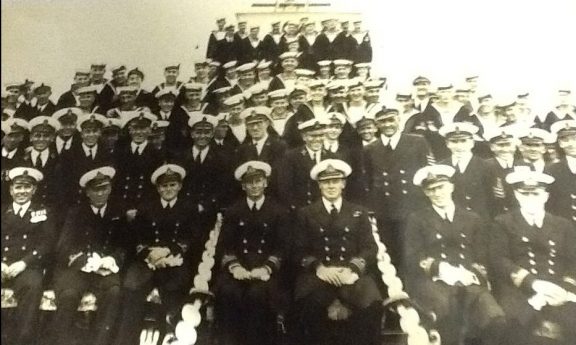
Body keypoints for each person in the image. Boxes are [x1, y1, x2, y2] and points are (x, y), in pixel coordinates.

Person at [404, 165, 508, 345]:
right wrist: (442, 268)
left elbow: (482, 255)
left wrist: (474, 274)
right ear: (426, 193)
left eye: (441, 187)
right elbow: (413, 257)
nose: (437, 193)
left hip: (468, 279)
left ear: (451, 187)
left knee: (495, 318)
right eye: (431, 189)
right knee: (447, 315)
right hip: (433, 281)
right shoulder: (417, 219)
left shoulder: (471, 218)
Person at [293, 159, 382, 345]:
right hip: (319, 275)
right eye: (326, 182)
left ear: (343, 183)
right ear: (319, 185)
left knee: (372, 304)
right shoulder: (306, 213)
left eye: (335, 181)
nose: (331, 185)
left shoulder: (358, 212)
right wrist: (319, 268)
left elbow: (370, 247)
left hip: (350, 274)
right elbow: (298, 250)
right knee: (308, 306)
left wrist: (353, 269)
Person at [116, 164, 202, 345]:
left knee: (173, 293)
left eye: (172, 185)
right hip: (148, 261)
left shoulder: (189, 208)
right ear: (157, 188)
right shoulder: (146, 208)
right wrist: (149, 254)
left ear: (179, 186)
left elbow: (191, 238)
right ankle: (126, 340)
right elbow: (138, 237)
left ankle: (169, 337)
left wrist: (168, 251)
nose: (168, 189)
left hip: (175, 262)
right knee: (132, 289)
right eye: (164, 186)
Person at [490, 168, 576, 345]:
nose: (530, 199)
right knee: (515, 325)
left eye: (536, 194)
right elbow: (499, 260)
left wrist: (565, 289)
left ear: (545, 196)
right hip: (521, 289)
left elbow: (573, 260)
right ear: (516, 195)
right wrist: (533, 283)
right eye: (525, 194)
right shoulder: (503, 222)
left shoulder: (563, 225)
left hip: (558, 287)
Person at [215, 161, 290, 345]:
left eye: (258, 181)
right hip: (239, 269)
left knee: (257, 296)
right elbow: (225, 246)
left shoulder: (279, 212)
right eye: (250, 182)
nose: (254, 186)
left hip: (266, 271)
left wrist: (266, 268)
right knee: (227, 292)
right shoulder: (233, 211)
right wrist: (235, 267)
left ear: (266, 183)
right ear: (243, 186)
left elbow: (283, 247)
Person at [48, 166, 124, 345]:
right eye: (95, 190)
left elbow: (124, 245)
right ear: (87, 192)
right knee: (68, 295)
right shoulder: (75, 214)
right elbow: (63, 247)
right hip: (78, 268)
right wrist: (86, 261)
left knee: (114, 292)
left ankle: (101, 341)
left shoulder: (117, 213)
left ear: (110, 188)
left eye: (105, 188)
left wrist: (112, 259)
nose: (101, 193)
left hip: (105, 269)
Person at [364, 107, 431, 265]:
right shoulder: (370, 149)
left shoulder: (417, 141)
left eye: (391, 120)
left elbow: (427, 173)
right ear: (376, 125)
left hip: (412, 207)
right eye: (382, 121)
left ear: (399, 120)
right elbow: (369, 180)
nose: (387, 125)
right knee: (390, 252)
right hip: (385, 210)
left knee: (414, 251)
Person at [1, 167, 55, 345]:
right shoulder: (3, 211)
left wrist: (24, 263)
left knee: (32, 288)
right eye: (18, 187)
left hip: (28, 267)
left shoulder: (43, 212)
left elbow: (47, 243)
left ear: (34, 190)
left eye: (27, 187)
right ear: (10, 190)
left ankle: (23, 341)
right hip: (3, 265)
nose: (22, 191)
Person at [439, 122, 492, 220]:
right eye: (454, 141)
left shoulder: (486, 166)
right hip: (454, 221)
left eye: (463, 141)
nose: (459, 146)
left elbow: (492, 198)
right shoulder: (441, 167)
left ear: (472, 142)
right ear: (447, 144)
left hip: (481, 220)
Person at [277, 118, 330, 212]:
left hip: (326, 210)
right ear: (304, 137)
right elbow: (284, 187)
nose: (317, 139)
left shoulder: (332, 157)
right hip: (301, 210)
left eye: (321, 135)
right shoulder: (291, 157)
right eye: (312, 136)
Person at [113, 112, 163, 209]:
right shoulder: (120, 152)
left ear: (149, 130)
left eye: (143, 128)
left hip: (146, 204)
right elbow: (117, 182)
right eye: (135, 128)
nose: (139, 132)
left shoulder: (156, 154)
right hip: (122, 202)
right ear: (130, 130)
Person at [545, 120, 576, 226]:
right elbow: (549, 205)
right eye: (565, 140)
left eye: (575, 139)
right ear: (559, 143)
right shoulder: (551, 170)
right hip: (563, 229)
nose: (571, 144)